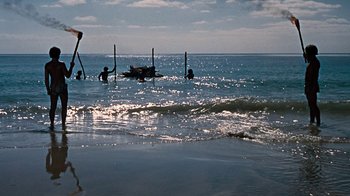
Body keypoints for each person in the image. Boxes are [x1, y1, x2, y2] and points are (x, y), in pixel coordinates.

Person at [45, 47, 75, 130]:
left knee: (53, 107)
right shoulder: (61, 64)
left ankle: (52, 124)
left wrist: (48, 89)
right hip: (62, 87)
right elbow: (68, 75)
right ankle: (63, 124)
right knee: (64, 107)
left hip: (53, 88)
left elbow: (46, 79)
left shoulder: (48, 65)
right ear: (58, 55)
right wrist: (71, 67)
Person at [304, 44, 321, 126]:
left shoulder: (314, 63)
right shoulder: (313, 61)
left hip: (311, 86)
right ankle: (312, 121)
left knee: (313, 105)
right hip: (310, 85)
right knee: (311, 105)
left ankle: (318, 122)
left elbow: (311, 75)